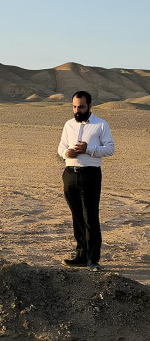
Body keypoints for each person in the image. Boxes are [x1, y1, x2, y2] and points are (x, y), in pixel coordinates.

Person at [57, 91, 114, 271]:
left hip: (90, 175)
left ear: (89, 106)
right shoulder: (68, 125)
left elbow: (109, 149)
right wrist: (66, 153)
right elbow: (61, 146)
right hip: (70, 174)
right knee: (77, 216)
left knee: (90, 216)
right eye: (74, 106)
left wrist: (89, 149)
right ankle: (81, 255)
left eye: (81, 106)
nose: (77, 110)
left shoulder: (101, 125)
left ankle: (93, 259)